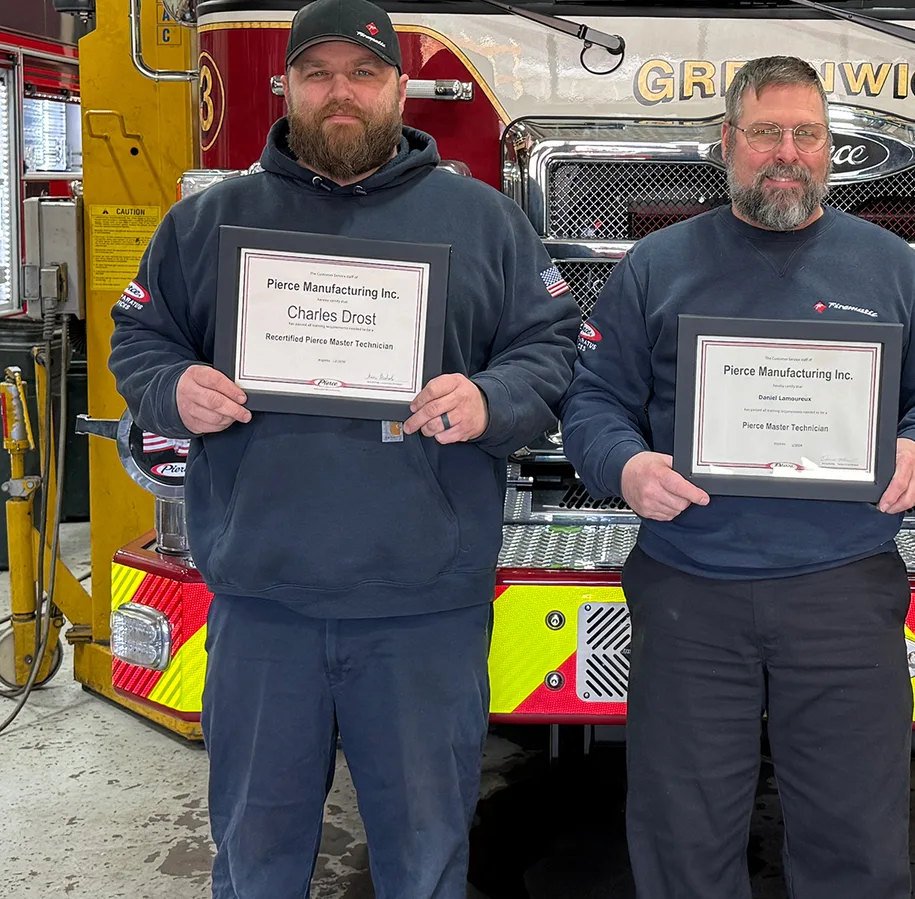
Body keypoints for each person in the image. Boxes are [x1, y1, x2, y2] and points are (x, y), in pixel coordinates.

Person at [106, 0, 580, 895]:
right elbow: (140, 340)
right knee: (256, 859)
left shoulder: (484, 222)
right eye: (318, 74)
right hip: (262, 608)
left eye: (363, 74)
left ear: (400, 88)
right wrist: (173, 387)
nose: (341, 93)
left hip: (422, 612)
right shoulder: (210, 222)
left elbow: (552, 349)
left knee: (426, 860)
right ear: (286, 87)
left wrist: (490, 397)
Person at [560, 55, 915, 899]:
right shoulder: (657, 264)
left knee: (856, 850)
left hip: (843, 592)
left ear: (830, 150)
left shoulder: (889, 265)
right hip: (689, 593)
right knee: (683, 847)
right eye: (765, 133)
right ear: (727, 144)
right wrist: (628, 465)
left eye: (806, 134)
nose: (785, 152)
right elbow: (592, 403)